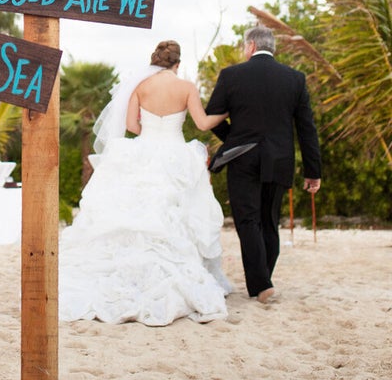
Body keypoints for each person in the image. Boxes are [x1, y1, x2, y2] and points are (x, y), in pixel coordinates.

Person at [58, 40, 232, 326]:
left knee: (133, 213)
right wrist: (225, 113)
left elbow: (131, 127)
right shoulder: (186, 87)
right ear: (178, 63)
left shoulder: (140, 86)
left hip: (144, 150)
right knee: (179, 214)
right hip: (176, 153)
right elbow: (202, 124)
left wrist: (149, 131)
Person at [205, 26, 321, 304]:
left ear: (251, 47)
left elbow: (212, 116)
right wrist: (313, 171)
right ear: (272, 47)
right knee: (270, 222)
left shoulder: (231, 75)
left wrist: (234, 138)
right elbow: (307, 129)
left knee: (247, 220)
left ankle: (261, 284)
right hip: (280, 159)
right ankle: (263, 280)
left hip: (242, 158)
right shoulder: (295, 79)